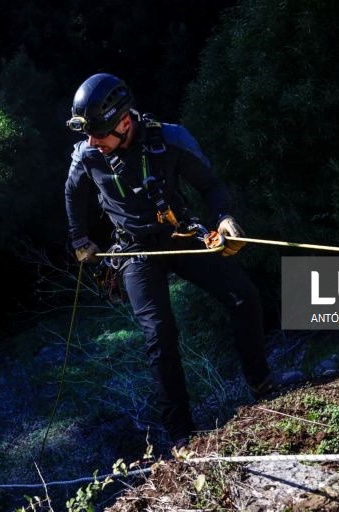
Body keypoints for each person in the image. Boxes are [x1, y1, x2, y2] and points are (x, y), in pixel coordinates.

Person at [63, 73, 274, 447]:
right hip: (134, 251)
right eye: (88, 134)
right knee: (159, 335)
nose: (92, 142)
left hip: (178, 235)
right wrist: (80, 238)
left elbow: (211, 186)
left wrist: (223, 218)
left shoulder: (171, 140)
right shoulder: (88, 155)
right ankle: (181, 434)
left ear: (124, 122)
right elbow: (72, 194)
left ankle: (261, 383)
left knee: (243, 295)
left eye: (98, 133)